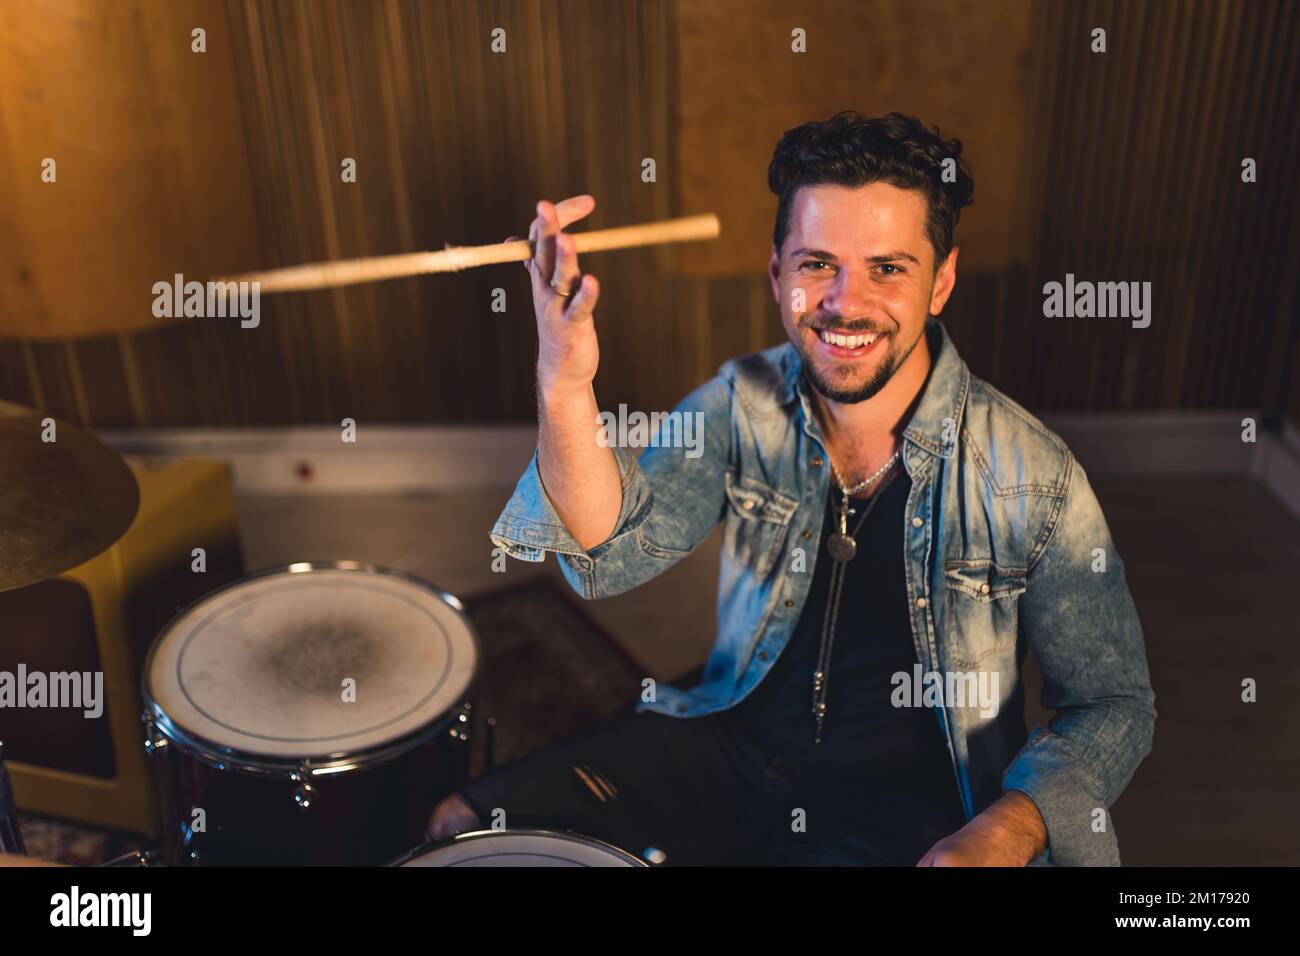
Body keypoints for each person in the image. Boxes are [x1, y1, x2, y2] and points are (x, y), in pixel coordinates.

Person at [428, 111, 1155, 866]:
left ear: (941, 280)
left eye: (887, 268)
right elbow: (605, 550)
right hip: (732, 733)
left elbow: (1113, 704)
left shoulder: (1033, 476)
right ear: (777, 271)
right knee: (466, 823)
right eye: (818, 264)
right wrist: (564, 377)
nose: (846, 302)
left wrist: (1013, 825)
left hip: (899, 799)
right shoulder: (741, 403)